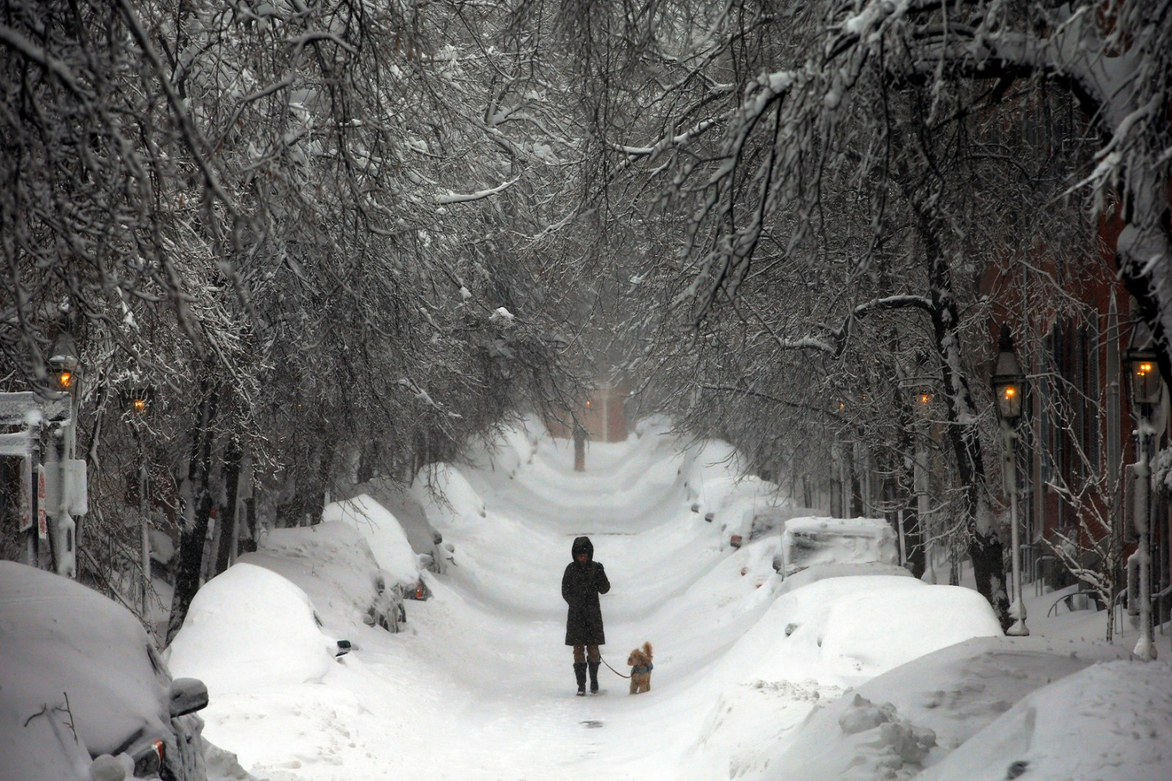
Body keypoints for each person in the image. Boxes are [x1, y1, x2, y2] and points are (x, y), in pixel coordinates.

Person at [562, 536, 610, 695]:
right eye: (579, 555)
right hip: (576, 616)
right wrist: (575, 604)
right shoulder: (570, 569)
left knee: (593, 649)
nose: (582, 557)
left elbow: (605, 588)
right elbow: (565, 591)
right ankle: (581, 684)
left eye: (585, 554)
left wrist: (601, 574)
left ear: (589, 554)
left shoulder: (596, 569)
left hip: (592, 616)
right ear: (575, 555)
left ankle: (594, 679)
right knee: (578, 651)